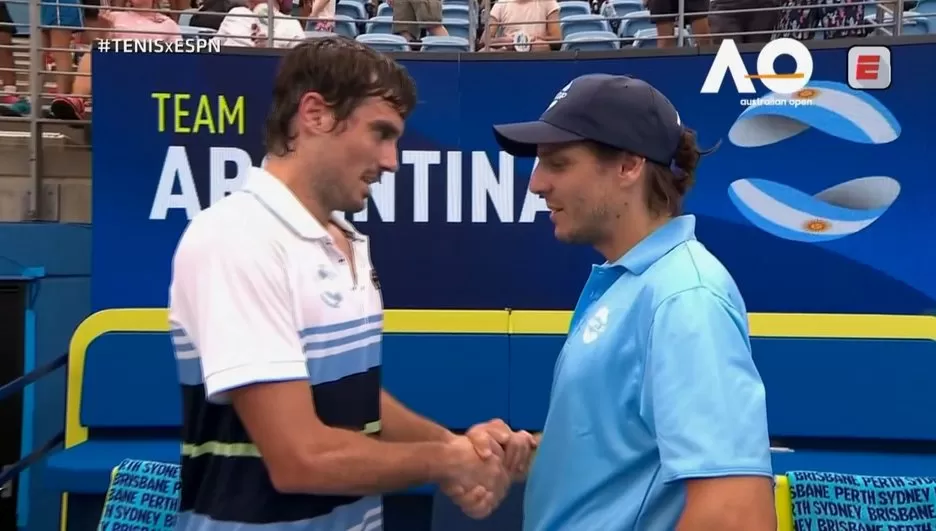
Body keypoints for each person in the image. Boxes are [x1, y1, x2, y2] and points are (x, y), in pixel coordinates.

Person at [168, 37, 537, 531]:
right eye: (380, 134)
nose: (392, 161)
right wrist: (449, 462)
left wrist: (453, 445)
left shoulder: (346, 241)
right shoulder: (236, 239)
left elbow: (348, 400)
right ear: (315, 114)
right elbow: (302, 459)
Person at [491, 74, 776, 530]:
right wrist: (542, 453)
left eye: (558, 163)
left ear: (628, 166)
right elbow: (636, 448)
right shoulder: (635, 284)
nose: (536, 184)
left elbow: (736, 514)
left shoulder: (685, 297)